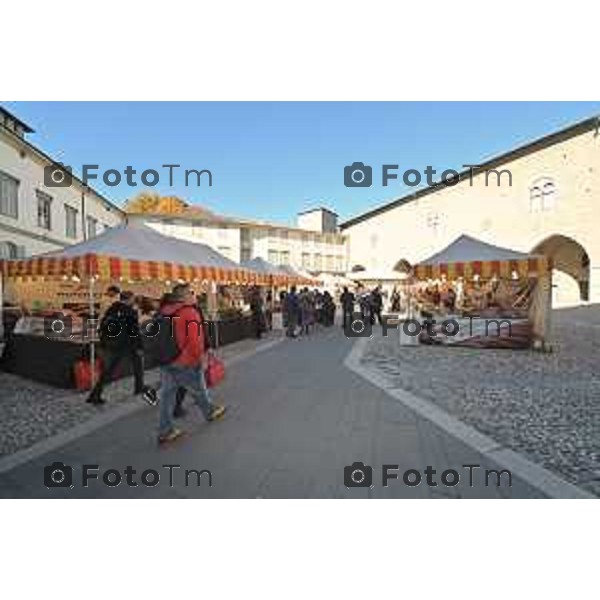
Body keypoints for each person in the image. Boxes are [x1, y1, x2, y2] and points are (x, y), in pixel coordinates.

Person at [156, 283, 226, 444]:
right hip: (185, 360)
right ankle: (210, 411)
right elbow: (195, 340)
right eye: (192, 292)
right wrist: (199, 358)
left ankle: (165, 430)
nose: (195, 295)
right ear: (185, 296)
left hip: (167, 360)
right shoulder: (190, 312)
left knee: (167, 396)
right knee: (198, 389)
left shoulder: (164, 311)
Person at [87, 290, 145, 406]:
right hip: (128, 343)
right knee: (138, 365)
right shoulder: (130, 311)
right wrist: (140, 345)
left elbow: (103, 324)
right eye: (133, 299)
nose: (134, 301)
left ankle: (95, 394)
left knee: (109, 370)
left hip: (113, 343)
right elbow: (133, 331)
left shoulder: (112, 309)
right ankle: (139, 387)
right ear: (129, 299)